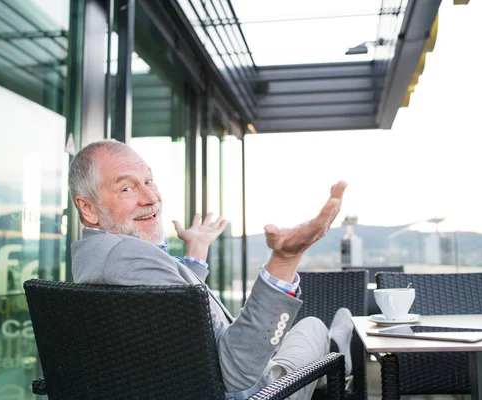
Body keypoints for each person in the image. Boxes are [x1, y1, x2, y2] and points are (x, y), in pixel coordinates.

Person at [68, 139, 354, 400]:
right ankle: (336, 349)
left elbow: (171, 311)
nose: (151, 198)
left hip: (171, 381)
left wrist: (195, 254)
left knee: (297, 337)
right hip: (261, 393)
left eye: (149, 180)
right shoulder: (129, 257)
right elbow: (235, 372)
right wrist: (285, 259)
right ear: (89, 208)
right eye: (127, 188)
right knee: (312, 326)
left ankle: (331, 348)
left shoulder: (96, 258)